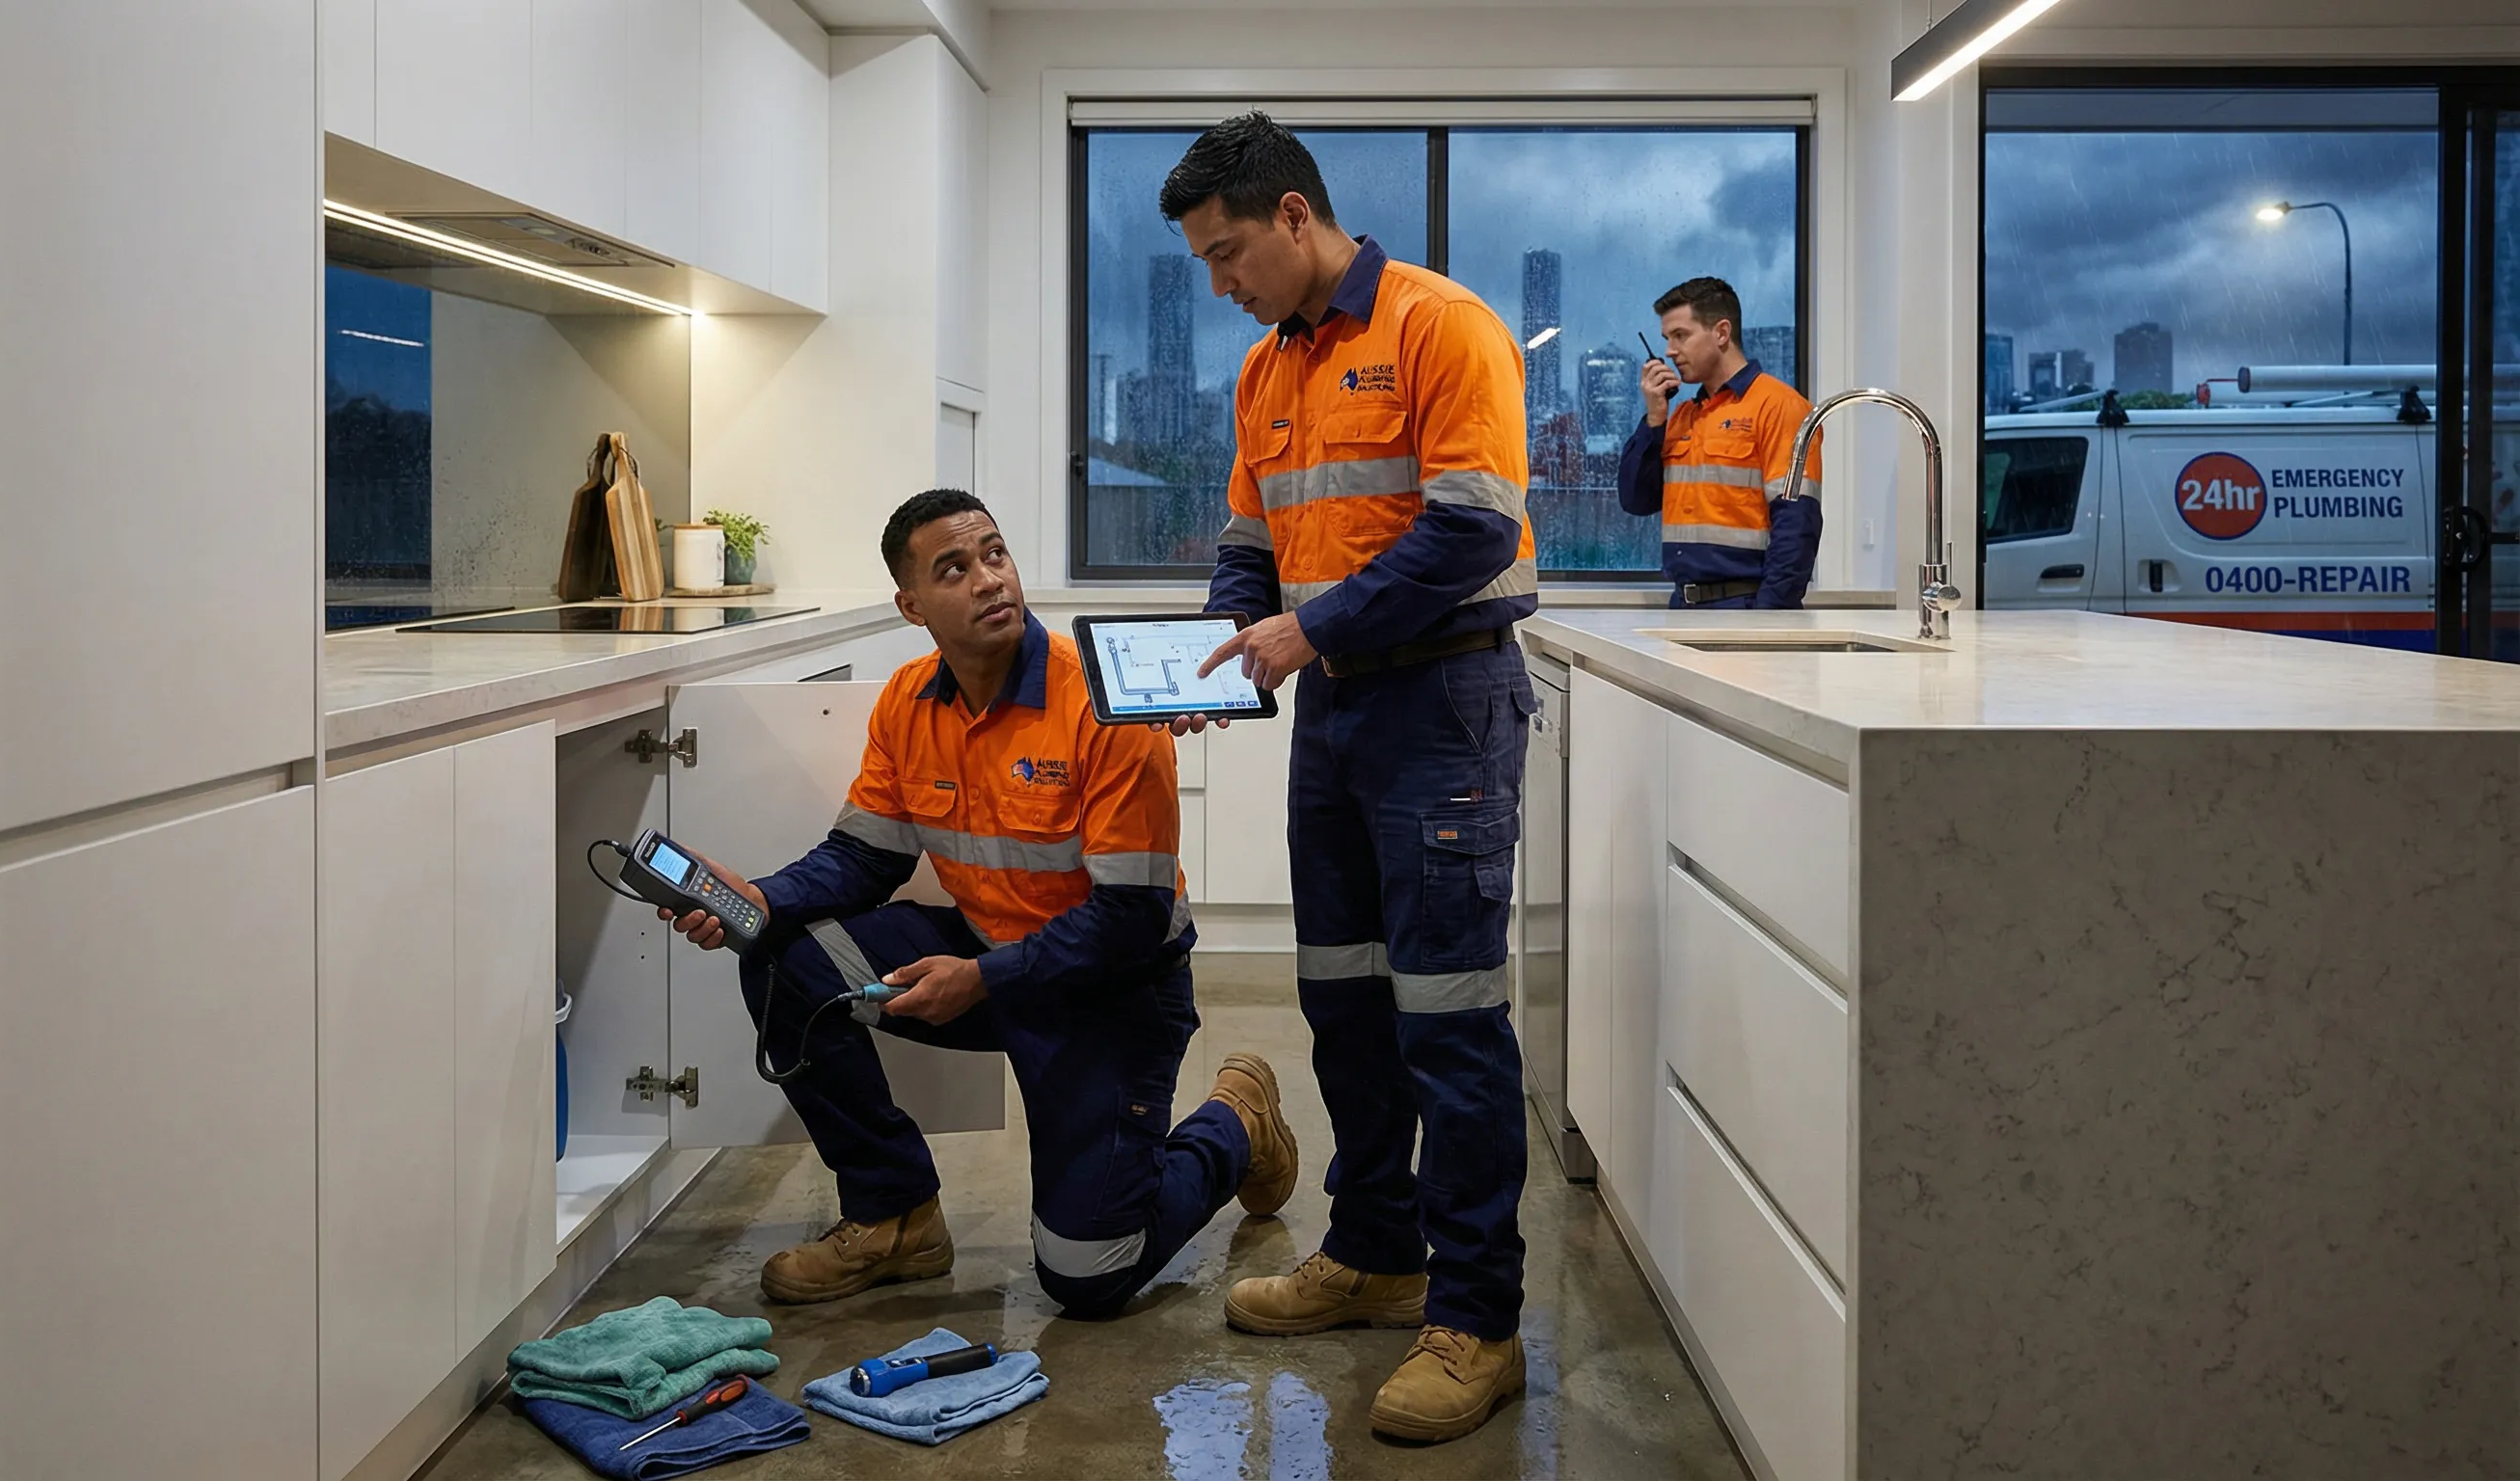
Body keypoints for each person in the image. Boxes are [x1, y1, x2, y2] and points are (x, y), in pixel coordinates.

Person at [658, 488, 1300, 1319]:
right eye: (953, 569)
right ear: (912, 604)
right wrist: (758, 898)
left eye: (995, 555)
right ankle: (895, 1215)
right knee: (783, 958)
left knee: (1090, 1275)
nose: (988, 580)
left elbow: (1132, 919)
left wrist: (983, 978)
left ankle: (1234, 1124)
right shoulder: (907, 699)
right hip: (994, 958)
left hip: (1113, 989)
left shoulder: (1100, 701)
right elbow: (862, 859)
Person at [1158, 112, 1535, 1444]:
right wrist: (1234, 649)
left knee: (1450, 1018)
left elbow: (1471, 530)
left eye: (1229, 254)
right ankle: (1379, 1255)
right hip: (1335, 718)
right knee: (1349, 1005)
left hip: (1446, 701)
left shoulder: (1443, 326)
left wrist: (1307, 631)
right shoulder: (1270, 368)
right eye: (1205, 265)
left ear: (1297, 218)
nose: (1222, 285)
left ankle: (1478, 1322)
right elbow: (1248, 542)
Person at [1617, 276, 1824, 607]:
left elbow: (1796, 525)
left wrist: (1766, 622)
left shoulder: (1780, 406)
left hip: (1746, 604)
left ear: (1721, 333)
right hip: (1683, 607)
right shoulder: (1683, 415)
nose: (1670, 351)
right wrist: (1654, 419)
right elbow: (1636, 501)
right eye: (1667, 339)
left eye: (1681, 336)